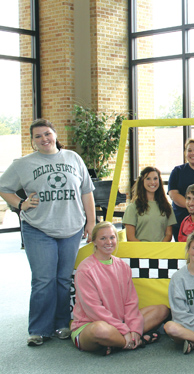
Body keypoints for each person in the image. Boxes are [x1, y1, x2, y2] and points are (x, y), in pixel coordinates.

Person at [0, 119, 96, 347]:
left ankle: (62, 323)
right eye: (38, 136)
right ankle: (39, 329)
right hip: (38, 228)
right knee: (44, 280)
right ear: (33, 141)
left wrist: (91, 223)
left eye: (47, 134)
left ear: (55, 134)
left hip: (71, 228)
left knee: (63, 279)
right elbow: (4, 187)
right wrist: (21, 203)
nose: (44, 139)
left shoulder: (73, 158)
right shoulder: (23, 164)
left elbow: (87, 192)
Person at [71, 222, 170, 355]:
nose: (109, 242)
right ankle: (135, 342)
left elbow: (130, 302)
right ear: (94, 241)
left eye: (112, 237)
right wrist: (124, 330)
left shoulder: (122, 266)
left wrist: (133, 328)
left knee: (162, 310)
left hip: (120, 323)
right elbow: (94, 310)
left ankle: (117, 343)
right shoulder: (85, 270)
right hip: (90, 325)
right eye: (103, 238)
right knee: (100, 330)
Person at [123, 166, 176, 242]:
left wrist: (158, 249)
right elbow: (130, 237)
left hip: (160, 251)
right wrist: (147, 250)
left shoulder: (167, 207)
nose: (152, 182)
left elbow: (168, 234)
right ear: (142, 181)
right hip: (140, 251)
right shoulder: (132, 208)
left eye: (155, 178)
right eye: (148, 178)